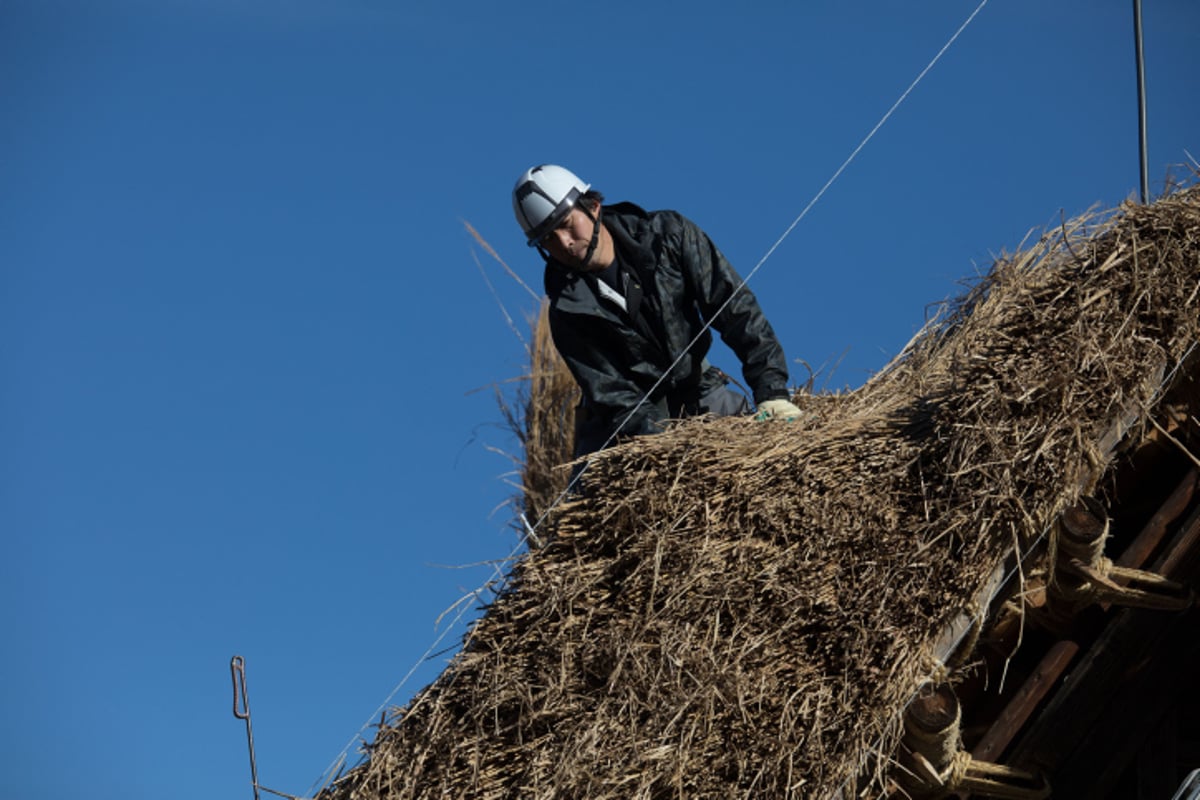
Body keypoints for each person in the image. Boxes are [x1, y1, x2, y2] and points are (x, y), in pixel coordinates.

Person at [512, 164, 803, 460]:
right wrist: (669, 450)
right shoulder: (566, 311)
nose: (564, 242)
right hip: (623, 426)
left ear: (593, 206)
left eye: (566, 223)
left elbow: (737, 310)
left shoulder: (668, 237)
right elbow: (613, 395)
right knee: (583, 495)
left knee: (774, 448)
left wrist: (772, 391)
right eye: (548, 238)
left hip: (699, 390)